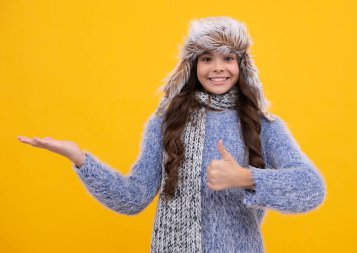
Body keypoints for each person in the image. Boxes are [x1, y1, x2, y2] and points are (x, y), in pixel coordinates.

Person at [17, 16, 326, 253]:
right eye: (206, 58)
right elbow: (132, 199)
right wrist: (81, 159)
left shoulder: (263, 124)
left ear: (242, 65)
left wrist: (246, 178)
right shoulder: (165, 123)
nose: (217, 68)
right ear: (193, 66)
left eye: (227, 58)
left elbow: (312, 189)